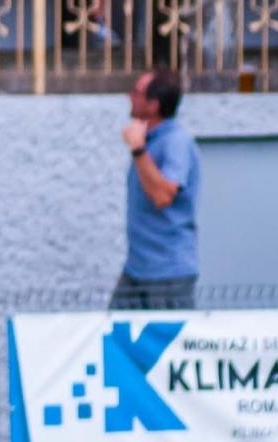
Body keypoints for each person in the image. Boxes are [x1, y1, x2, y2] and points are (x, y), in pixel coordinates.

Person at [113, 67, 202, 311]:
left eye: (136, 92)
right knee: (116, 340)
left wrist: (138, 150)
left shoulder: (176, 142)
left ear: (153, 105)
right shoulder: (150, 139)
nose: (129, 96)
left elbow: (163, 196)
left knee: (170, 348)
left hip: (167, 276)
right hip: (136, 270)